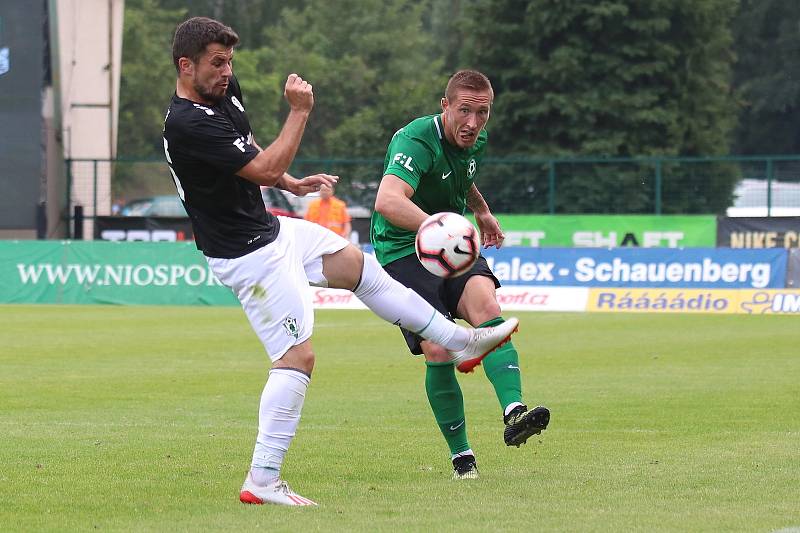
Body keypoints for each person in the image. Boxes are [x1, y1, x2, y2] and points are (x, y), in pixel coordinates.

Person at [163, 18, 520, 506]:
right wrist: (299, 113)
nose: (227, 71)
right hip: (247, 256)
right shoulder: (185, 122)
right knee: (297, 359)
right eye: (216, 63)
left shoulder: (219, 91)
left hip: (270, 230)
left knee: (358, 266)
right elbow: (261, 165)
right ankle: (262, 480)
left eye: (229, 61)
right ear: (186, 67)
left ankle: (460, 340)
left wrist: (289, 184)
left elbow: (250, 163)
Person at [371, 69, 550, 480]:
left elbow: (464, 175)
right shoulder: (415, 140)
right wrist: (436, 230)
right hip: (402, 251)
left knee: (487, 306)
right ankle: (462, 456)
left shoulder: (477, 140)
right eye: (464, 111)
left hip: (449, 244)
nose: (473, 123)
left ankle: (514, 411)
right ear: (445, 105)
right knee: (437, 350)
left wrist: (482, 210)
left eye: (482, 113)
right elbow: (387, 200)